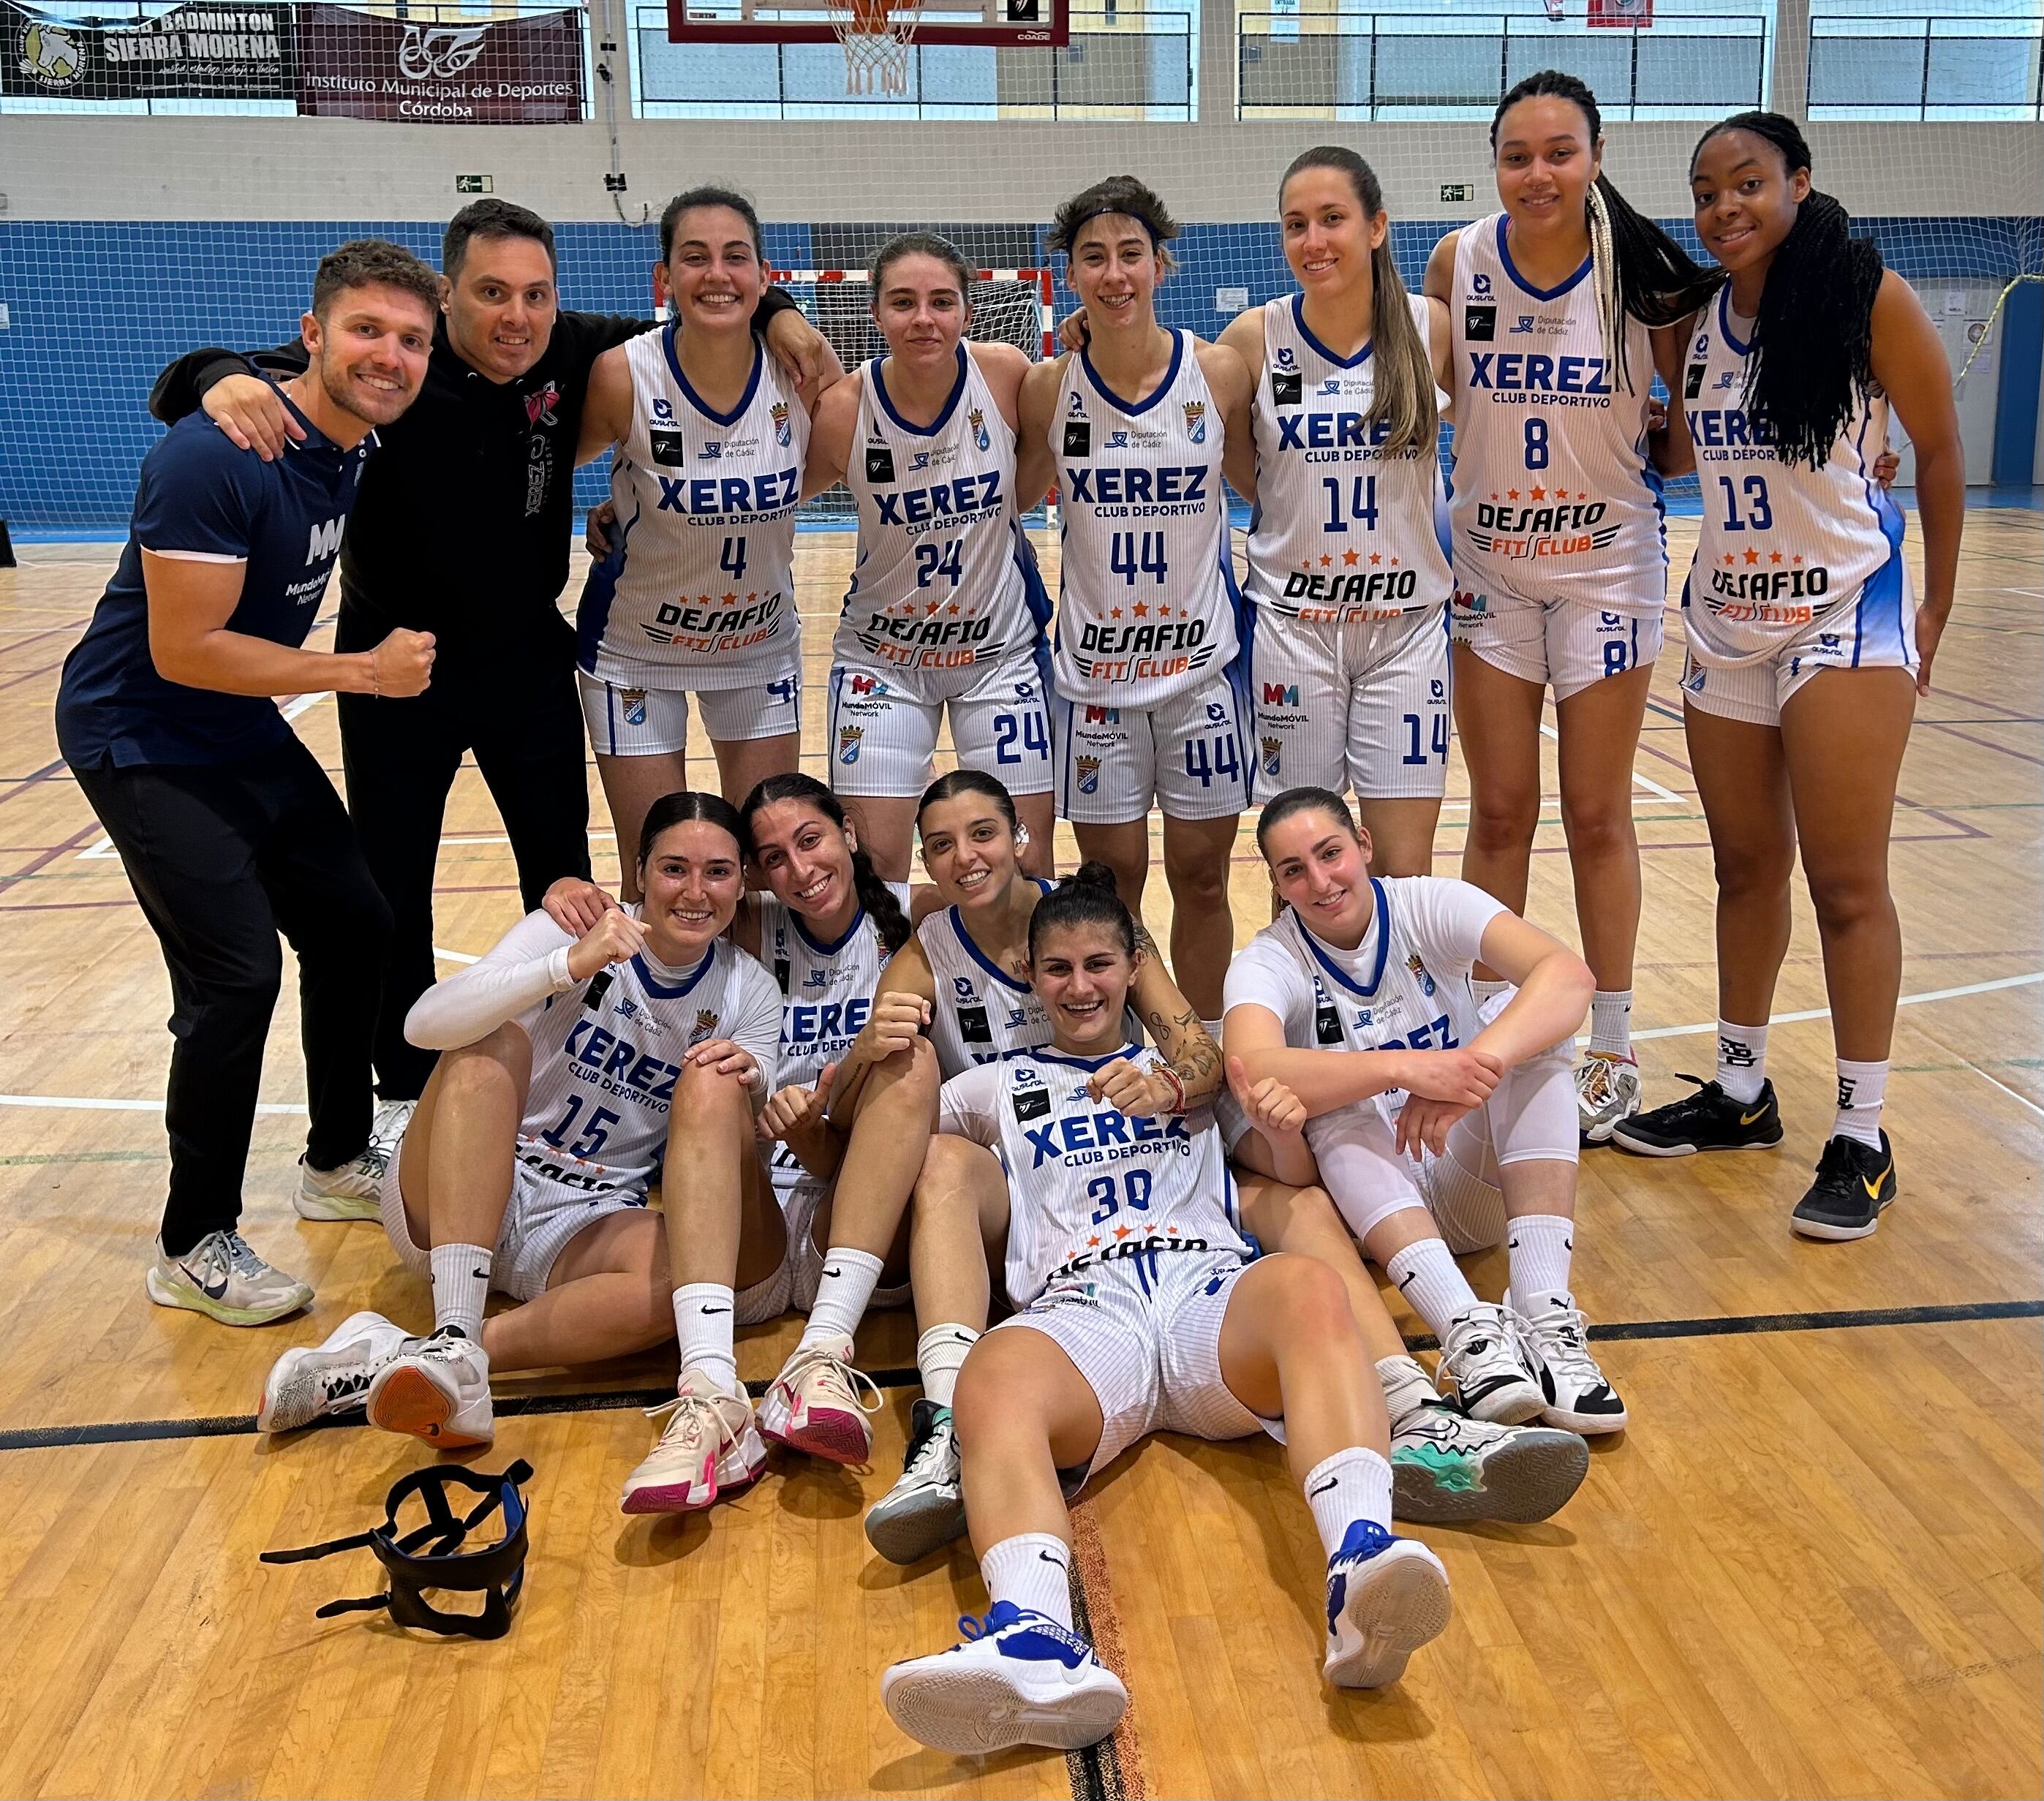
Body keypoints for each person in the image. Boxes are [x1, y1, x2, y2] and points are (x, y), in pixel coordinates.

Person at [148, 200, 833, 1198]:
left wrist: (780, 312)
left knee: (562, 888)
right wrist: (217, 381)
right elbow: (202, 374)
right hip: (396, 669)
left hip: (524, 663)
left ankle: (560, 1089)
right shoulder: (395, 364)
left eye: (535, 295)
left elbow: (705, 309)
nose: (516, 316)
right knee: (385, 897)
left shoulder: (567, 351)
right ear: (443, 293)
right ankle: (392, 1096)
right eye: (490, 293)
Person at [879, 866, 1453, 1755]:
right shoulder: (991, 1088)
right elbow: (889, 1164)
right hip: (1083, 1308)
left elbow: (1292, 1179)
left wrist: (1269, 1111)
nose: (1080, 986)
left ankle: (1360, 1560)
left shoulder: (1196, 1069)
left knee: (1307, 1286)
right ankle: (1034, 1639)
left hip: (1203, 1296)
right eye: (1059, 969)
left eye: (1099, 965)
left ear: (1130, 967)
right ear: (1030, 978)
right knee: (989, 1374)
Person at [54, 239, 440, 1325]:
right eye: (367, 330)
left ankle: (332, 1160)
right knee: (234, 978)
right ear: (312, 335)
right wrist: (359, 671)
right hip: (141, 733)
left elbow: (214, 363)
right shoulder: (217, 454)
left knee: (356, 924)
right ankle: (192, 1240)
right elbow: (187, 650)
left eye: (412, 339)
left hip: (234, 727)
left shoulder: (348, 427)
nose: (391, 356)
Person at [1613, 113, 1964, 1241]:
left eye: (1748, 184)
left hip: (1840, 614)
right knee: (1741, 870)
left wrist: (1937, 600)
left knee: (1845, 883)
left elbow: (1939, 444)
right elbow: (1680, 453)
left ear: (1798, 185)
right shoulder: (1699, 324)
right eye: (1706, 192)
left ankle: (1861, 1134)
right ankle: (1738, 1088)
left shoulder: (1866, 300)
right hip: (1723, 619)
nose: (1724, 208)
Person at [254, 792, 790, 1465]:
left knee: (684, 1281)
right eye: (674, 868)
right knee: (494, 1042)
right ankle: (450, 1333)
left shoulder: (748, 991)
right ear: (639, 870)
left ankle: (432, 1358)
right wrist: (563, 967)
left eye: (717, 872)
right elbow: (422, 1026)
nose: (694, 890)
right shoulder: (575, 925)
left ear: (742, 883)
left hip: (581, 1220)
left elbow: (736, 1146)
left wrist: (760, 1085)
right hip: (457, 1184)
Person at [1424, 71, 1719, 1147]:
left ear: (1593, 155)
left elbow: (1686, 434)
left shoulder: (1645, 276)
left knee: (1596, 815)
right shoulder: (1457, 261)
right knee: (1497, 813)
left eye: (1558, 152)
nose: (1536, 172)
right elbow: (1430, 395)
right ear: (1492, 161)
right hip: (1490, 569)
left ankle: (1611, 1042)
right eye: (1516, 154)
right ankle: (1474, 1024)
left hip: (1604, 568)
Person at [823, 771, 1222, 1562]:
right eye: (940, 846)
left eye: (981, 834)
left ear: (1020, 838)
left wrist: (1164, 1086)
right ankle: (945, 1424)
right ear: (925, 863)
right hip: (1005, 1197)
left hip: (1112, 1179)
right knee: (936, 1159)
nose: (964, 857)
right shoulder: (929, 949)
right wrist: (859, 1056)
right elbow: (856, 1118)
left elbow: (1202, 1055)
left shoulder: (1086, 929)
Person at [1225, 786, 1629, 1435]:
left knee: (1535, 1030)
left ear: (1363, 846)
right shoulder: (1269, 959)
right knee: (1327, 1100)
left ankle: (1545, 1311)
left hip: (1465, 1176)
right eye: (1293, 869)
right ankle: (1468, 1338)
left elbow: (1567, 976)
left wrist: (1465, 1074)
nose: (1320, 881)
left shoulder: (1426, 902)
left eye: (1331, 853)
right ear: (1275, 882)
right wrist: (1405, 1068)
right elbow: (1249, 1067)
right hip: (1372, 1217)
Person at [1019, 175, 1256, 1024]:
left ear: (1161, 264)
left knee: (1201, 879)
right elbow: (1004, 499)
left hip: (1200, 679)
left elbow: (1270, 487)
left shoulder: (1218, 371)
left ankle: (1204, 1047)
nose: (1113, 274)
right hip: (1093, 688)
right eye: (1093, 258)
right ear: (1071, 277)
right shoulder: (1050, 390)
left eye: (1129, 255)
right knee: (1110, 889)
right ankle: (1131, 1043)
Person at [575, 187, 846, 894]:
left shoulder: (806, 375)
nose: (716, 274)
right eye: (695, 258)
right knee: (655, 881)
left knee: (761, 876)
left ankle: (751, 1011)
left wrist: (722, 506)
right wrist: (614, 506)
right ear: (665, 278)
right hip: (635, 649)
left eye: (735, 258)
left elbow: (818, 468)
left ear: (764, 277)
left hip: (757, 648)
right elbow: (545, 470)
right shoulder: (622, 374)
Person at [1217, 146, 1455, 875]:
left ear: (1376, 226)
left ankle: (1401, 993)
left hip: (1405, 632)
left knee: (1403, 872)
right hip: (1293, 632)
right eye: (1295, 224)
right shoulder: (1254, 338)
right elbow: (1240, 465)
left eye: (1331, 220)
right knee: (1299, 867)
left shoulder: (1431, 328)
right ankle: (1302, 996)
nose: (1312, 241)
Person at [808, 231, 1059, 882]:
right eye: (903, 302)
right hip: (883, 663)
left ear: (967, 312)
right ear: (875, 313)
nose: (923, 318)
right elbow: (766, 498)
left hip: (997, 659)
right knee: (877, 867)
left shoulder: (1004, 375)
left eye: (941, 301)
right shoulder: (842, 410)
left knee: (1025, 864)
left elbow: (1062, 440)